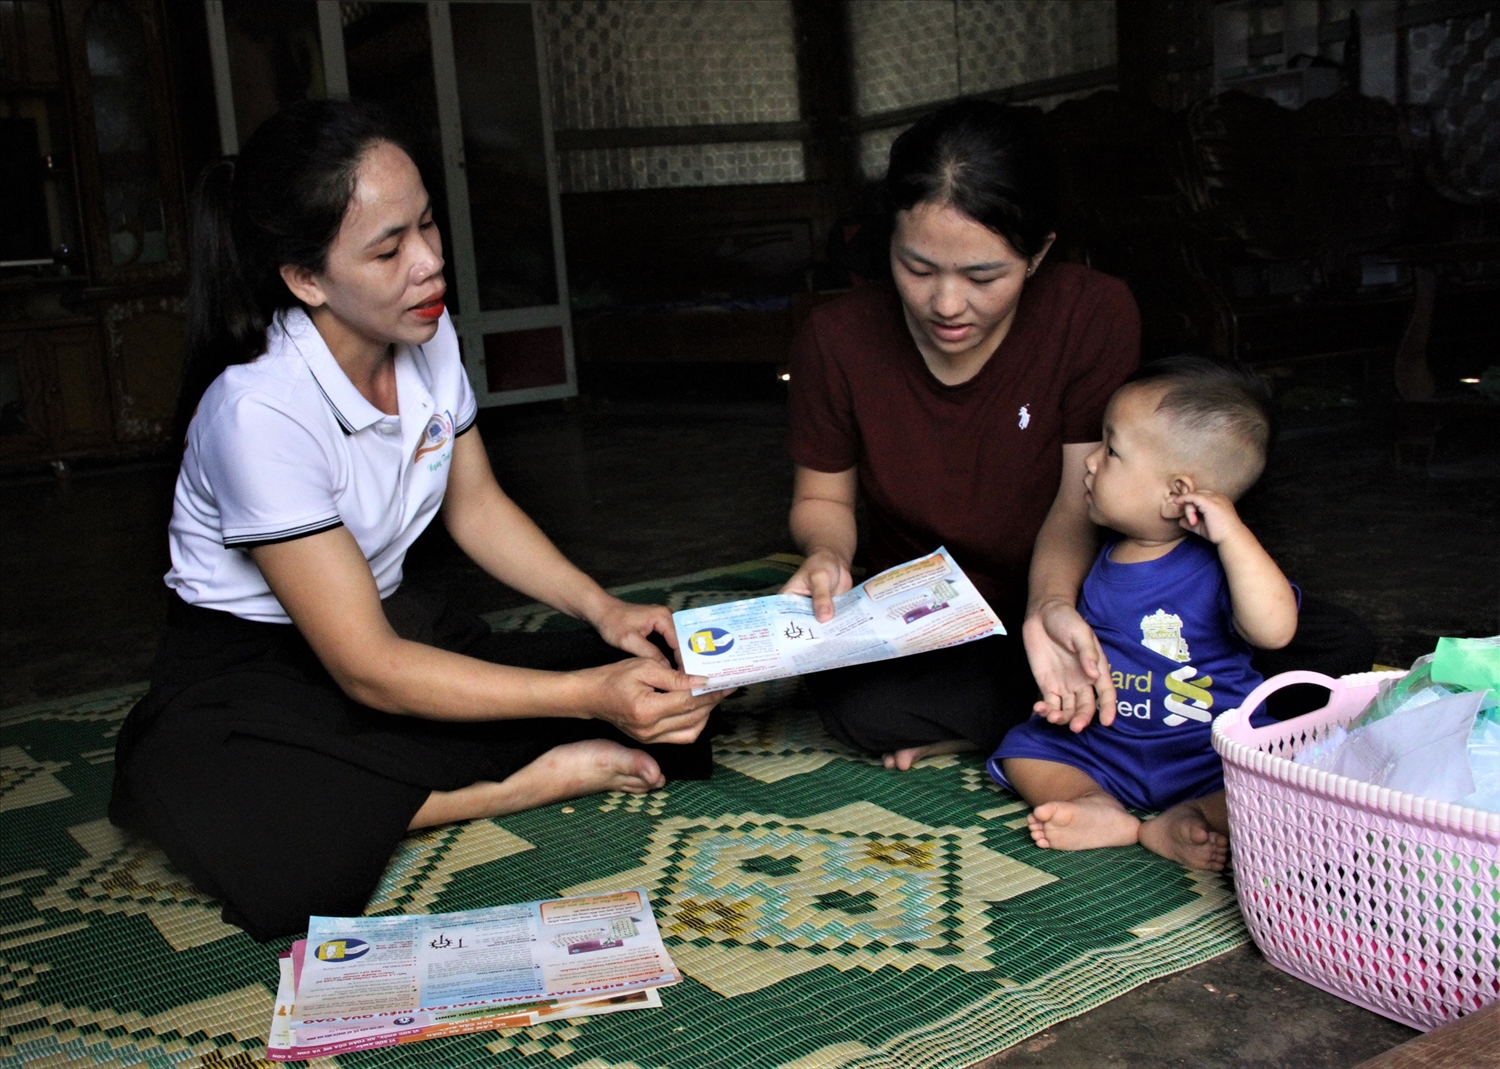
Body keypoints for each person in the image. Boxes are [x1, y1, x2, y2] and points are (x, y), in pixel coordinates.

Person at [109, 100, 726, 941]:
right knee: (291, 860)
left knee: (665, 674)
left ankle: (409, 776)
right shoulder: (259, 411)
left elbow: (477, 507)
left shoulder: (425, 336)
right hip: (251, 669)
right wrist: (586, 696)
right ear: (306, 279)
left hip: (390, 627)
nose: (431, 264)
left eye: (428, 226)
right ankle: (510, 784)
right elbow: (366, 667)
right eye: (390, 248)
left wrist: (603, 610)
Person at [783, 99, 1141, 768]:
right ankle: (1076, 723)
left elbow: (1078, 501)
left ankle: (1025, 714)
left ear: (1038, 255)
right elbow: (824, 499)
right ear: (886, 238)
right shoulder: (836, 340)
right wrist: (827, 553)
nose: (946, 304)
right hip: (934, 626)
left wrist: (1050, 607)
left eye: (983, 276)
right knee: (854, 702)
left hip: (1067, 597)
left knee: (1292, 639)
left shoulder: (1091, 314)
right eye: (917, 269)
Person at [989, 357, 1298, 870]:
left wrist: (1233, 535)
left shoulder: (1222, 564)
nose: (1090, 462)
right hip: (1105, 746)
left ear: (1177, 492)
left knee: (1276, 784)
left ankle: (1185, 818)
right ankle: (1100, 805)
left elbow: (1275, 630)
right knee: (1022, 751)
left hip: (1206, 754)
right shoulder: (1100, 554)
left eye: (1111, 451)